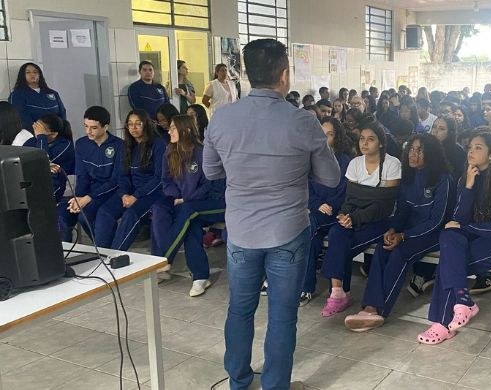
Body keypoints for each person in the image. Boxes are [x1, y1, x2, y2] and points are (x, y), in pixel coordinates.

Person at [203, 38, 341, 390]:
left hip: (241, 232)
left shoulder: (222, 117)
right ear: (284, 75)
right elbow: (330, 177)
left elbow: (211, 171)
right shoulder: (303, 122)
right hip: (288, 232)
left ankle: (238, 380)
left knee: (240, 309)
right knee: (282, 316)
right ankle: (275, 385)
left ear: (249, 74)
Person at [417, 130, 491, 345]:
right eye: (470, 147)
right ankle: (463, 302)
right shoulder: (467, 177)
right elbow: (458, 218)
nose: (471, 152)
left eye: (478, 147)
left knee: (450, 262)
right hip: (474, 235)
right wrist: (468, 186)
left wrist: (466, 227)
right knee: (449, 235)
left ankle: (442, 323)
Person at [344, 134, 453, 331]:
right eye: (411, 149)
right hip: (408, 229)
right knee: (382, 247)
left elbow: (437, 220)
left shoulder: (443, 179)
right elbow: (402, 211)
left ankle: (379, 311)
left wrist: (404, 236)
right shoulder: (409, 177)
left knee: (400, 252)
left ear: (431, 153)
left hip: (433, 234)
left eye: (420, 150)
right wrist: (393, 229)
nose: (413, 154)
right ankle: (369, 306)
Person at [319, 119, 401, 318]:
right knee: (337, 231)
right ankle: (338, 292)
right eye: (362, 139)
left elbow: (384, 205)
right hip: (354, 216)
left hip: (380, 220)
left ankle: (340, 294)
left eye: (370, 139)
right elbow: (350, 198)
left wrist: (354, 216)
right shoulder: (355, 164)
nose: (364, 143)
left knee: (343, 244)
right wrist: (344, 215)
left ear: (380, 143)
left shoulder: (392, 164)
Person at [151, 114, 225, 296]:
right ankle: (200, 277)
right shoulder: (170, 152)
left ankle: (164, 258)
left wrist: (187, 198)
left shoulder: (202, 152)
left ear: (186, 130)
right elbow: (166, 181)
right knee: (189, 221)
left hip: (217, 202)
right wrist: (177, 196)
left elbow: (210, 184)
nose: (169, 131)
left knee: (187, 211)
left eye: (173, 128)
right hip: (190, 206)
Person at [300, 117, 355, 306]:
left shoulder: (345, 161)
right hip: (318, 211)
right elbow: (306, 187)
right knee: (312, 238)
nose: (324, 139)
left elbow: (344, 192)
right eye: (321, 135)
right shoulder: (312, 159)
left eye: (329, 135)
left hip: (336, 213)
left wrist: (327, 205)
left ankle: (304, 286)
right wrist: (317, 204)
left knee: (309, 226)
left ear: (337, 137)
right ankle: (306, 287)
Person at [94, 109, 167, 251]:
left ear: (146, 125)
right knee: (105, 211)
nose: (133, 128)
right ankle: (101, 254)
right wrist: (124, 194)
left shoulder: (158, 145)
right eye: (130, 124)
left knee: (130, 215)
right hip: (130, 193)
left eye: (138, 124)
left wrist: (136, 196)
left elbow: (160, 178)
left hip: (152, 193)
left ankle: (114, 256)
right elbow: (122, 175)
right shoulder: (127, 146)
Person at [58, 107, 123, 243]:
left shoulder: (119, 145)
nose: (88, 131)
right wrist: (79, 198)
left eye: (93, 128)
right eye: (86, 126)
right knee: (65, 213)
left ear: (105, 127)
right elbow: (82, 176)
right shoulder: (81, 144)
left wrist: (88, 198)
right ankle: (67, 256)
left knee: (96, 215)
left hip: (112, 191)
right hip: (92, 191)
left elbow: (116, 180)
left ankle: (105, 249)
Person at [23, 114, 74, 202]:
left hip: (55, 187)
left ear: (54, 134)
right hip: (33, 182)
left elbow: (41, 163)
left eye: (40, 130)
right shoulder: (31, 141)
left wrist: (41, 137)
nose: (35, 131)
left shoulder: (65, 145)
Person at [9, 63, 67, 131]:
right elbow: (21, 118)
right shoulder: (17, 94)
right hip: (34, 136)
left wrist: (61, 130)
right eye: (28, 72)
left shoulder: (53, 93)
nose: (32, 74)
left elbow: (62, 113)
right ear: (22, 75)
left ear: (40, 74)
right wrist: (41, 133)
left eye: (35, 72)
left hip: (56, 134)